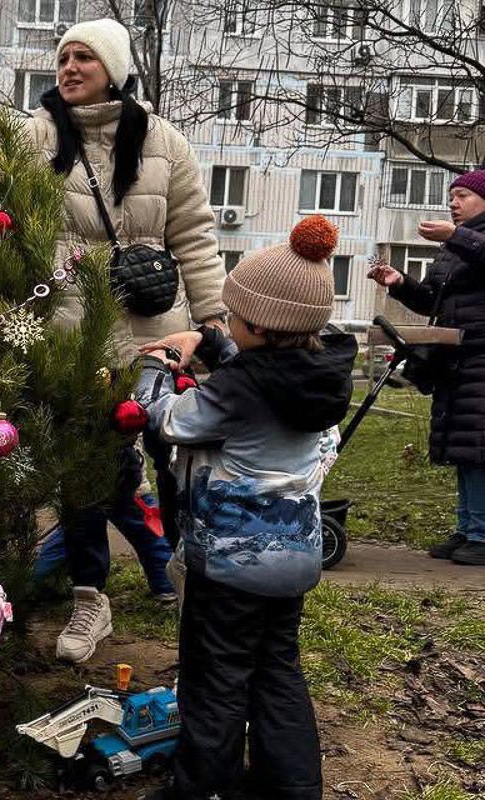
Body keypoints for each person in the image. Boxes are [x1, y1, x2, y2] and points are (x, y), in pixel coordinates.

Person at [0, 17, 227, 662]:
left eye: (82, 58)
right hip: (71, 337)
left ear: (113, 70)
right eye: (62, 57)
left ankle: (191, 570)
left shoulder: (165, 145)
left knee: (178, 456)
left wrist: (212, 322)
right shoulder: (36, 139)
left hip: (155, 337)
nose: (67, 68)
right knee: (85, 471)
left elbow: (196, 239)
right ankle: (90, 595)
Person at [136, 216, 356, 800]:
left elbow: (171, 421)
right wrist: (211, 342)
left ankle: (201, 787)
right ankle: (292, 787)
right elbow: (252, 362)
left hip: (231, 565)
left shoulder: (238, 390)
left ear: (259, 323)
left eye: (232, 317)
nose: (227, 323)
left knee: (217, 679)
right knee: (277, 670)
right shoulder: (319, 373)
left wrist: (155, 370)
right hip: (294, 562)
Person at [369, 169, 485, 566]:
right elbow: (431, 301)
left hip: (481, 359)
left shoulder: (467, 242)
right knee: (464, 449)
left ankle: (482, 535)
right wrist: (399, 282)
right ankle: (469, 528)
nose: (453, 203)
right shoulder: (455, 249)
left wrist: (454, 236)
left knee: (479, 450)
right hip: (458, 360)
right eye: (451, 196)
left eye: (462, 196)